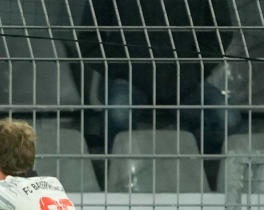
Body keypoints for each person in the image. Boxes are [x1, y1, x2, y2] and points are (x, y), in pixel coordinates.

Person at [78, 0, 241, 154]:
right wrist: (121, 67)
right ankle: (120, 175)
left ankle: (193, 167)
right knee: (118, 115)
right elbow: (89, 36)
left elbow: (220, 31)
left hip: (184, 79)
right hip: (130, 79)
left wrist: (194, 68)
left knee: (228, 119)